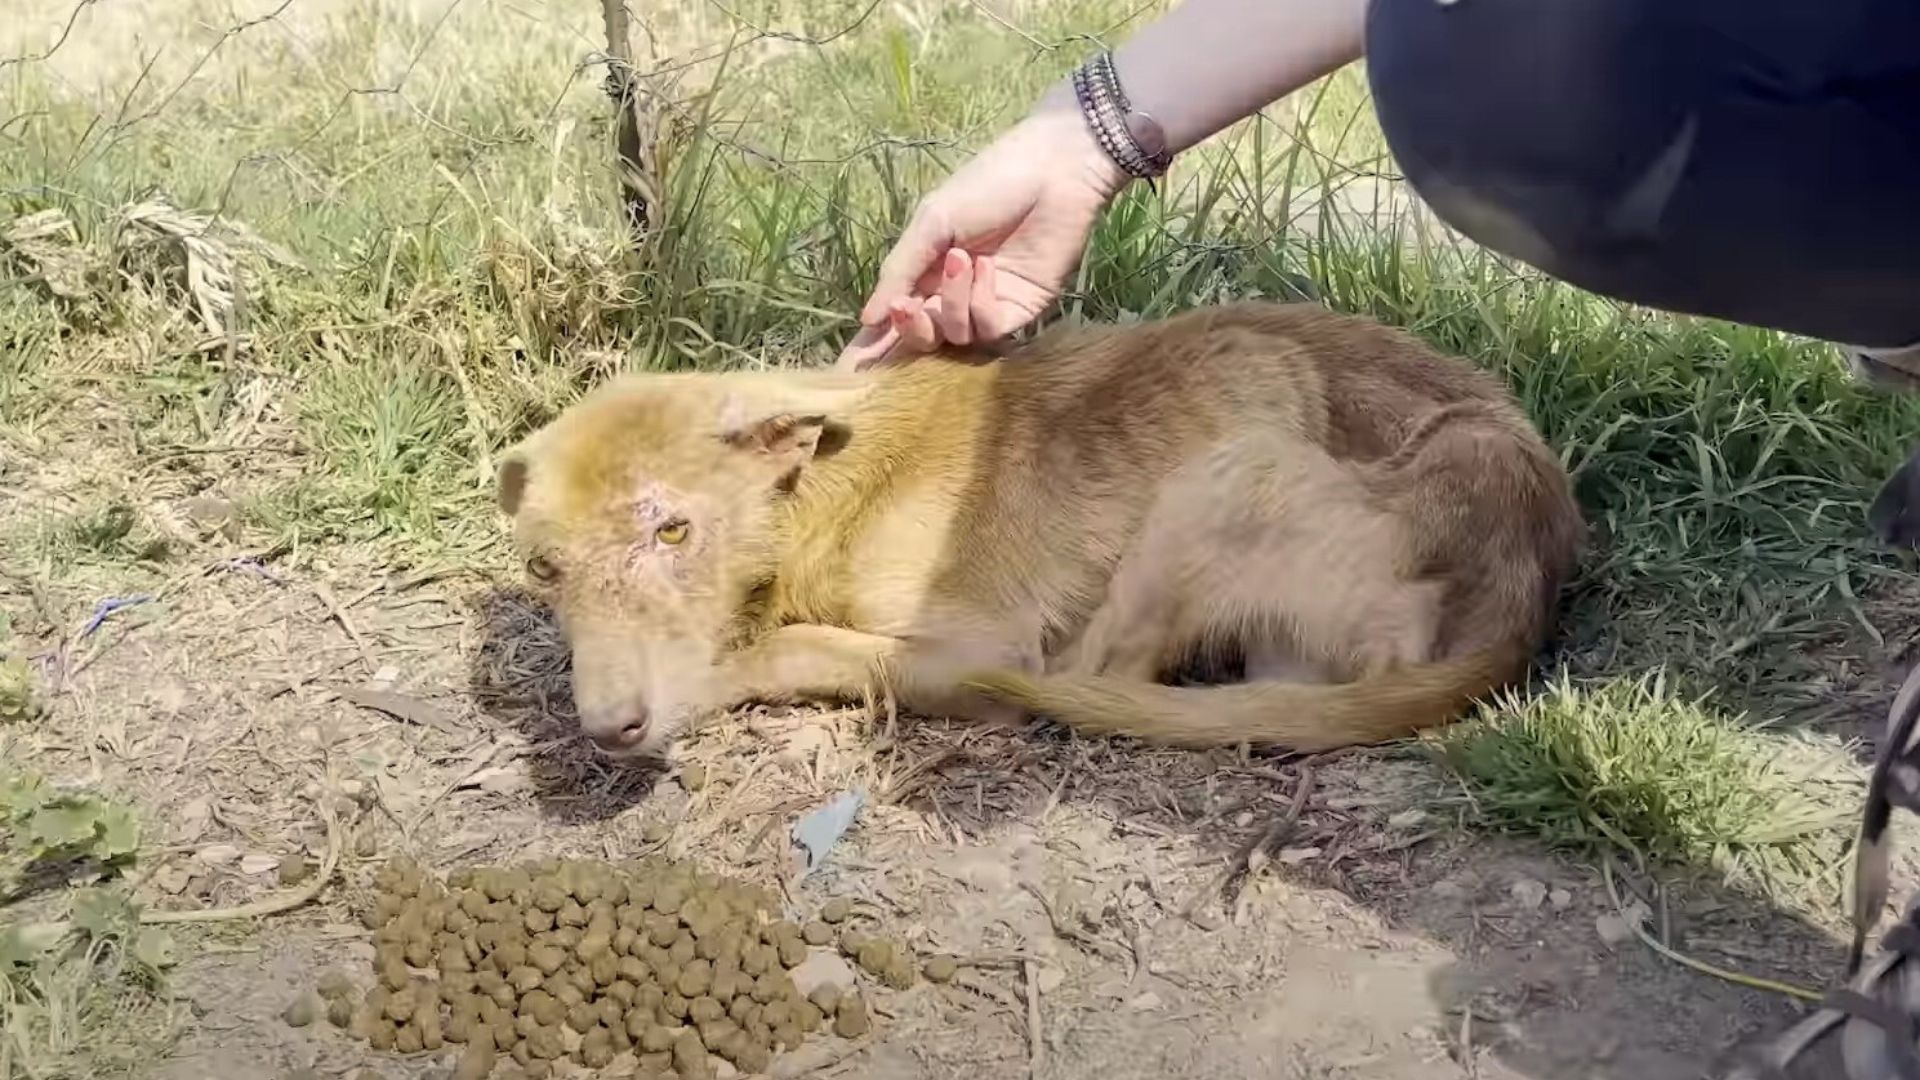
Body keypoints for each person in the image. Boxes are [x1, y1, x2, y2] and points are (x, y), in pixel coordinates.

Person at [835, 1, 1920, 1076]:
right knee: (1471, 58)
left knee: (1491, 69)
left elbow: (991, 655)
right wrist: (1079, 138)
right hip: (1396, 551)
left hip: (1392, 569)